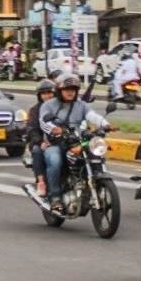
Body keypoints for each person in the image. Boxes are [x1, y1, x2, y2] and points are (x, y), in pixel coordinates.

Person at [38, 73, 110, 212]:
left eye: (73, 89)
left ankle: (91, 186)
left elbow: (92, 116)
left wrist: (106, 124)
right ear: (59, 91)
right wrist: (54, 130)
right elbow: (43, 122)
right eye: (67, 89)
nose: (70, 92)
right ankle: (55, 197)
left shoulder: (81, 105)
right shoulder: (48, 105)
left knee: (95, 155)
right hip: (54, 143)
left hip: (77, 140)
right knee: (55, 160)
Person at [26, 79, 56, 197]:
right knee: (37, 150)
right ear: (39, 96)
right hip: (41, 141)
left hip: (60, 140)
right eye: (44, 93)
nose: (47, 96)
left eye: (50, 92)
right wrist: (40, 141)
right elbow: (31, 129)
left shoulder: (61, 107)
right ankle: (41, 182)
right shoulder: (35, 110)